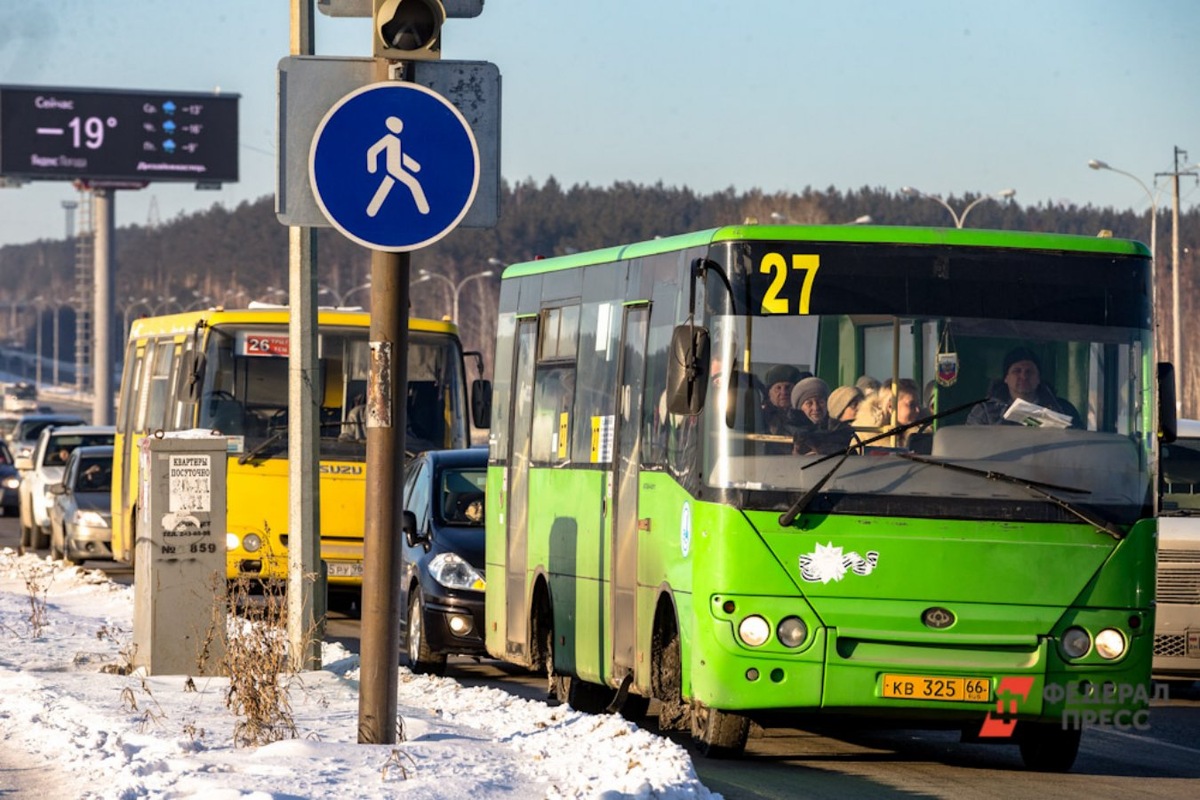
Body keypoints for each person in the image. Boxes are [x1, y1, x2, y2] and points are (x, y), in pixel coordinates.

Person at [966, 347, 1082, 427]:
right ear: (1006, 378)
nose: (1023, 376)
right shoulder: (984, 412)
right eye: (1017, 371)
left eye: (1029, 371)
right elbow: (972, 446)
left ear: (1038, 378)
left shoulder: (1063, 409)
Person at [790, 377, 855, 455]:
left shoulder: (840, 430)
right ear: (799, 407)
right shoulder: (788, 431)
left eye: (821, 402)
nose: (816, 408)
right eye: (809, 403)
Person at [760, 364, 803, 436]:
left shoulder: (807, 415)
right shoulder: (760, 416)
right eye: (778, 388)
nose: (783, 392)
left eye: (788, 387)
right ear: (769, 392)